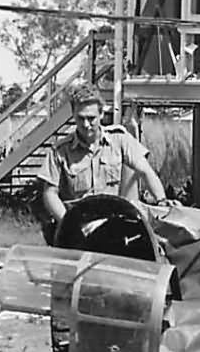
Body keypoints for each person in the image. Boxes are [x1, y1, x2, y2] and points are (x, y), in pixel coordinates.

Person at [37, 83, 169, 244]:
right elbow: (50, 193)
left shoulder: (120, 139)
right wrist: (68, 223)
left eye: (91, 118)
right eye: (80, 118)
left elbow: (145, 171)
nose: (86, 125)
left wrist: (162, 202)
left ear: (101, 113)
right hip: (77, 231)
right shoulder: (60, 151)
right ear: (73, 114)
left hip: (113, 228)